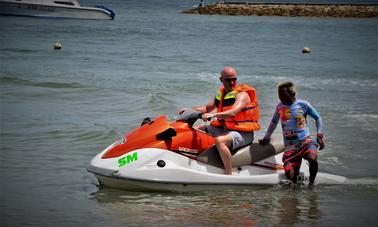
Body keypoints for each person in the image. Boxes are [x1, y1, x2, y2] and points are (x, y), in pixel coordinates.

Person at [182, 66, 260, 175]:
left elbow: (233, 112)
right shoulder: (221, 94)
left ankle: (228, 174)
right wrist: (190, 110)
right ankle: (193, 160)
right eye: (228, 80)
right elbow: (206, 108)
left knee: (220, 141)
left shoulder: (242, 95)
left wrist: (213, 115)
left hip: (243, 133)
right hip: (224, 128)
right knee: (196, 130)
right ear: (221, 80)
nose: (232, 82)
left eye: (234, 79)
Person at [259, 81, 325, 185]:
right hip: (290, 148)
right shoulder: (279, 107)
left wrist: (319, 136)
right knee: (291, 177)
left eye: (283, 94)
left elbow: (318, 118)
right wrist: (266, 138)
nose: (280, 97)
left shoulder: (303, 104)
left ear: (292, 93)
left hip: (305, 142)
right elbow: (274, 122)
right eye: (279, 94)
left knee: (312, 158)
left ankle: (311, 185)